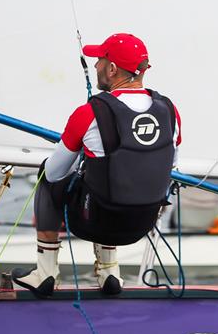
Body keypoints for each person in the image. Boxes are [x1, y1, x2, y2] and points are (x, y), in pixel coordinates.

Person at [12, 33, 181, 297]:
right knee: (113, 178)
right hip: (142, 225)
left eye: (100, 60)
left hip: (95, 222)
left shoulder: (88, 113)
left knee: (48, 175)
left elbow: (56, 172)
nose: (96, 66)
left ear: (112, 69)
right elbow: (170, 165)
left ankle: (45, 273)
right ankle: (109, 272)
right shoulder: (170, 111)